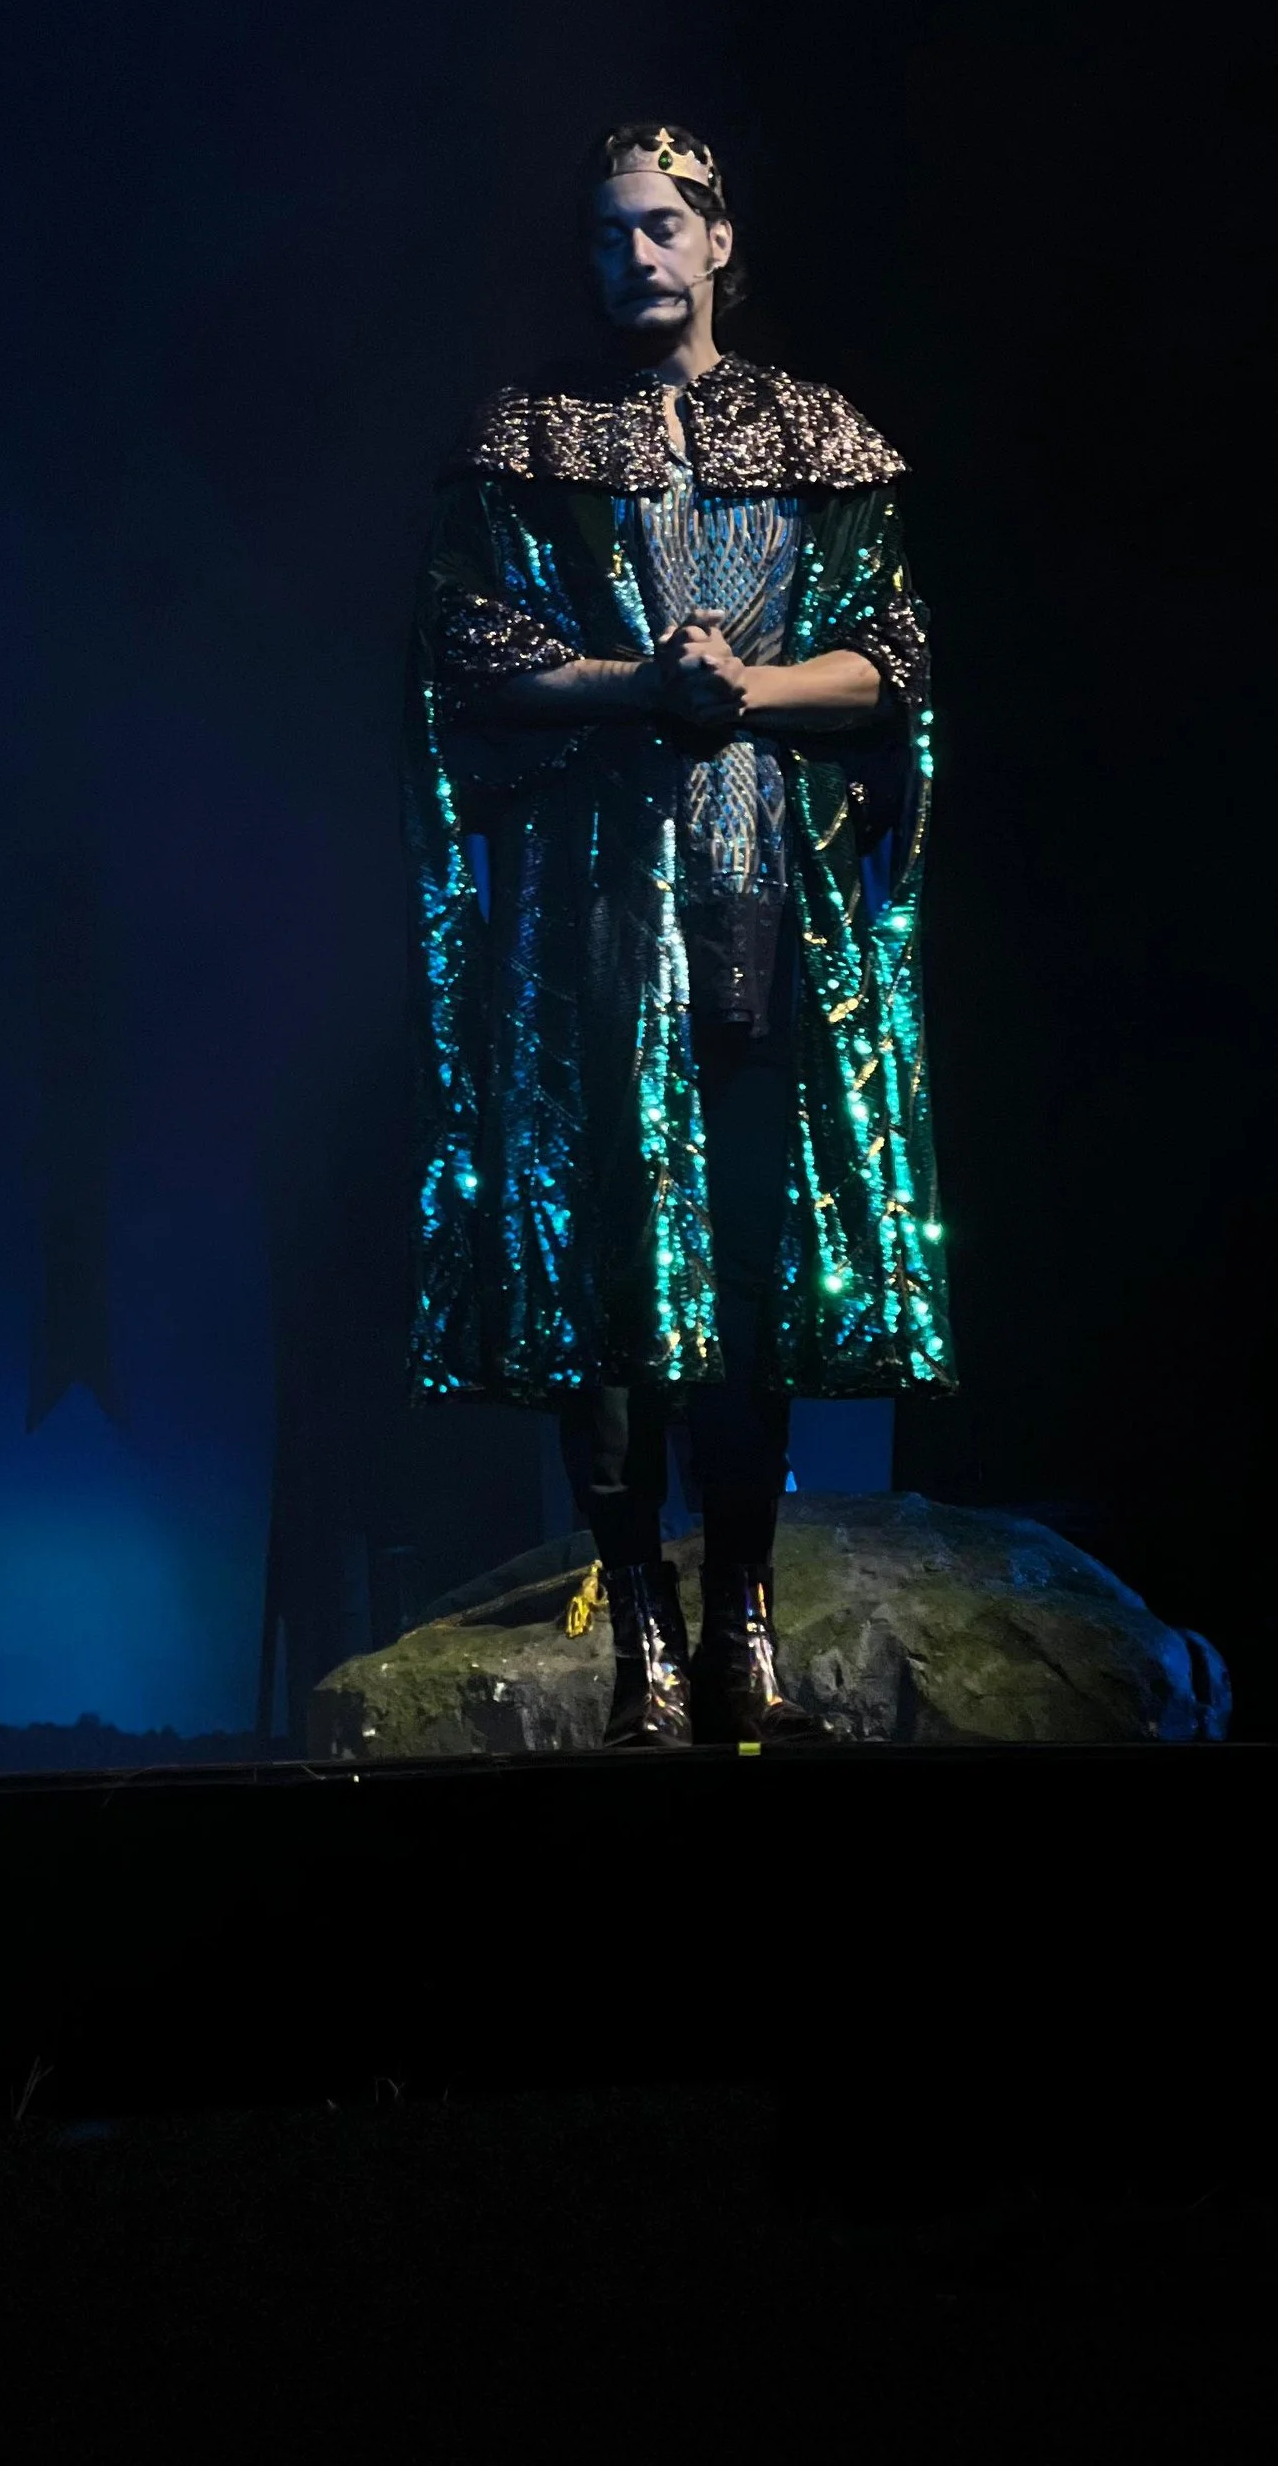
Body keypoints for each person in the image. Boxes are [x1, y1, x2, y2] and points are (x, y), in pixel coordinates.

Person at [406, 122, 950, 1746]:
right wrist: (639, 686)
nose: (633, 259)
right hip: (597, 907)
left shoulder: (823, 434)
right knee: (615, 1261)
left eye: (661, 229)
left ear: (718, 241)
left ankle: (744, 1617)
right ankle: (638, 1610)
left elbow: (895, 657)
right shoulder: (526, 434)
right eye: (606, 237)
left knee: (757, 1266)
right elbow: (473, 653)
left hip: (766, 905)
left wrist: (743, 692)